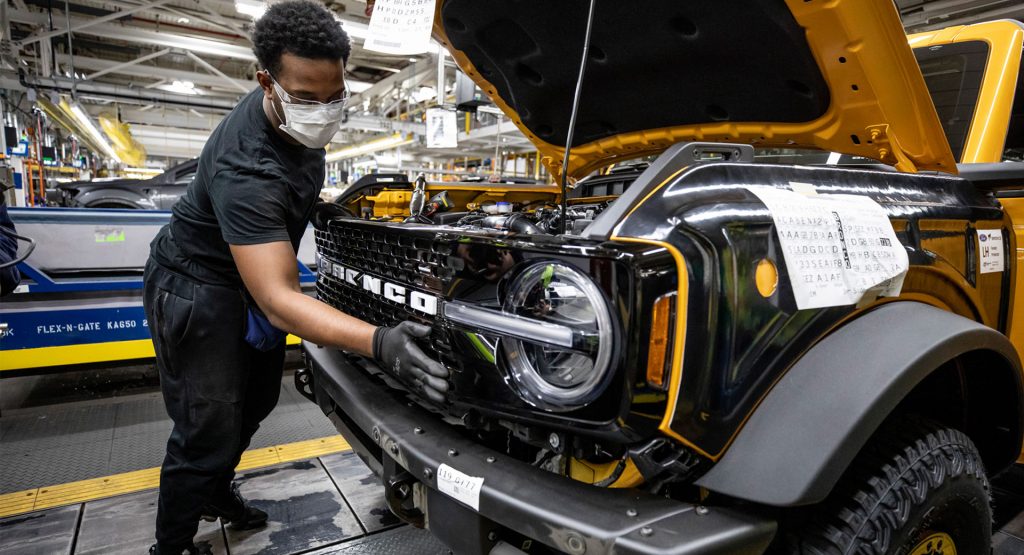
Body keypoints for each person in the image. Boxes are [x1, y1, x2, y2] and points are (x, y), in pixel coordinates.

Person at [143, 2, 448, 553]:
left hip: (242, 283)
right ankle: (172, 542)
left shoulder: (296, 119)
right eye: (307, 99)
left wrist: (326, 206)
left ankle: (214, 491)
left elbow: (293, 188)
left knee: (253, 405)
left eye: (335, 97)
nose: (324, 111)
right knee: (205, 428)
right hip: (198, 288)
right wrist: (381, 342)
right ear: (267, 82)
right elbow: (281, 300)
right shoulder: (248, 167)